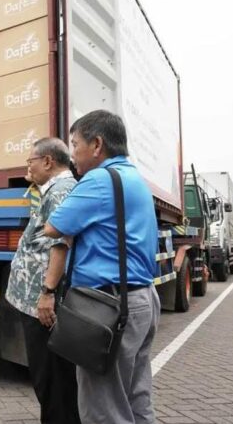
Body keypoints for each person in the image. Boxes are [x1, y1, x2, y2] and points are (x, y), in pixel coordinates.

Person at [43, 110, 160, 424]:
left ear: (97, 145)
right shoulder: (132, 176)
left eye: (75, 144)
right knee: (136, 398)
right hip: (141, 299)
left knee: (104, 408)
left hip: (109, 306)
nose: (72, 156)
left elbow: (53, 228)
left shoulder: (99, 179)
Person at [4, 137, 80, 423]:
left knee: (52, 380)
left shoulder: (61, 190)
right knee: (49, 379)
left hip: (42, 305)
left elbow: (60, 243)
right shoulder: (54, 190)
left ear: (48, 161)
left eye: (30, 162)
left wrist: (47, 293)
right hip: (35, 301)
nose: (28, 169)